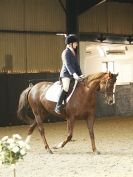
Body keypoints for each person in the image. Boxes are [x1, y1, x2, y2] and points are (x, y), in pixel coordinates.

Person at [55, 34, 83, 114]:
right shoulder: (66, 52)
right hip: (66, 75)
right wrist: (74, 74)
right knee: (66, 87)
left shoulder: (73, 52)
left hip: (74, 75)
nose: (77, 44)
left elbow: (77, 65)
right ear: (70, 44)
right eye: (75, 43)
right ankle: (58, 105)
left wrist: (80, 74)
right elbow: (68, 65)